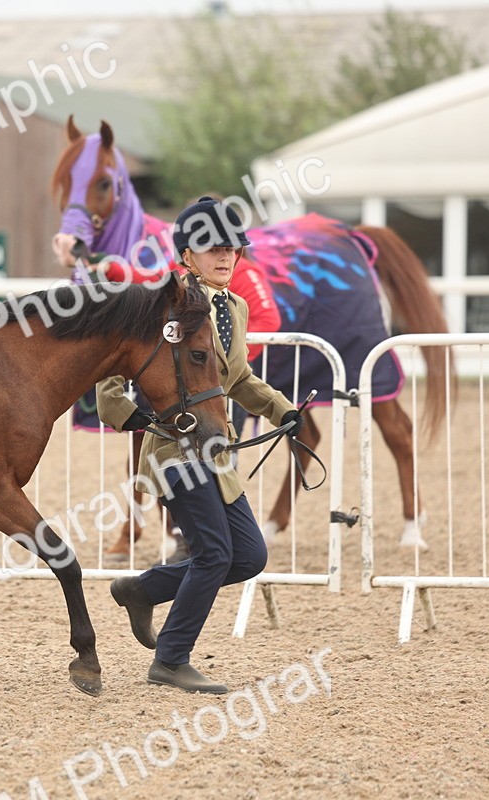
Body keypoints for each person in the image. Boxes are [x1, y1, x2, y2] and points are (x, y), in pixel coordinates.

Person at [96, 196, 304, 694]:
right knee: (213, 554)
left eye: (233, 247)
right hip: (174, 450)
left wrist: (281, 409)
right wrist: (128, 414)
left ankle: (141, 589)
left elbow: (236, 379)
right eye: (213, 247)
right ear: (187, 254)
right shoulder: (162, 302)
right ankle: (170, 659)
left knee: (248, 556)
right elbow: (112, 374)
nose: (227, 256)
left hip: (219, 451)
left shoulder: (236, 307)